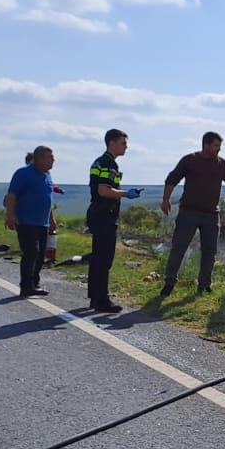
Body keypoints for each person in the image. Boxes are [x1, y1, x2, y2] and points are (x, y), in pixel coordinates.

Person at [158, 131, 225, 296]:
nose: (218, 150)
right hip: (188, 213)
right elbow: (172, 179)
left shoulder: (222, 164)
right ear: (205, 144)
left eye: (219, 146)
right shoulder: (190, 160)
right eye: (215, 146)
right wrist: (166, 200)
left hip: (211, 215)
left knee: (209, 251)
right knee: (179, 248)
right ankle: (169, 283)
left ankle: (204, 285)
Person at [86, 128, 141, 314]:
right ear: (112, 143)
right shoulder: (108, 163)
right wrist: (126, 193)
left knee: (98, 258)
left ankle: (95, 296)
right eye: (123, 143)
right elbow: (103, 190)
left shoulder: (100, 161)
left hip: (98, 214)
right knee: (103, 259)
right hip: (104, 216)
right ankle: (101, 300)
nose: (126, 147)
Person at [5, 146, 57, 298]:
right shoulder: (23, 174)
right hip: (26, 221)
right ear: (39, 158)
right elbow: (11, 196)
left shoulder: (47, 175)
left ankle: (35, 282)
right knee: (31, 252)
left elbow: (48, 200)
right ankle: (26, 286)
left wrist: (52, 220)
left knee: (40, 255)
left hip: (42, 223)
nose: (53, 160)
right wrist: (10, 215)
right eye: (49, 157)